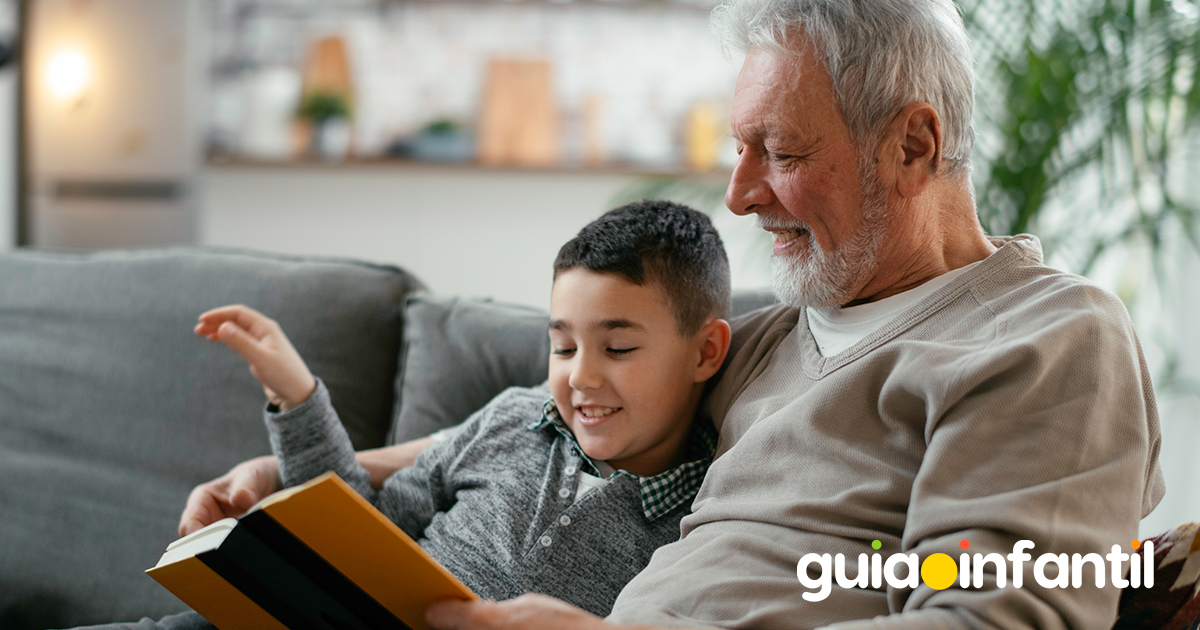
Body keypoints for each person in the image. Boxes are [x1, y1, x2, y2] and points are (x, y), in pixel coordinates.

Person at [182, 0, 1167, 628]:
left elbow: (985, 617)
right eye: (739, 150)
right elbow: (541, 420)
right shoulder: (765, 338)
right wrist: (300, 473)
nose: (738, 195)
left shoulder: (1045, 341)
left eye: (781, 152)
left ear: (913, 147)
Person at [85, 201, 733, 630]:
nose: (580, 376)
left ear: (705, 351)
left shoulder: (706, 520)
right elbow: (361, 526)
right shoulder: (512, 420)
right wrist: (295, 394)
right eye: (562, 347)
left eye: (618, 349)